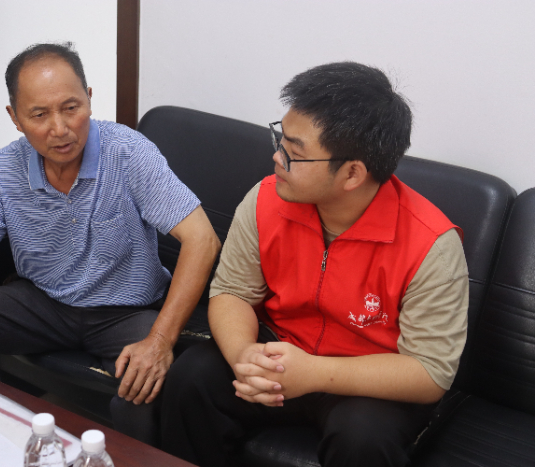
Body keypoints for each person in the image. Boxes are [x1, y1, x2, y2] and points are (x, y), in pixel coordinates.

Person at [0, 42, 220, 411]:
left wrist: (160, 340)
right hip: (44, 304)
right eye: (39, 115)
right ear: (15, 117)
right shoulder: (1, 171)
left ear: (89, 98)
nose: (60, 129)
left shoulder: (128, 152)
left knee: (148, 384)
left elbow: (203, 240)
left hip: (126, 311)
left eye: (71, 108)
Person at [160, 62, 468, 467]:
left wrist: (314, 373)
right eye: (280, 139)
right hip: (279, 351)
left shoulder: (431, 245)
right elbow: (233, 291)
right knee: (191, 378)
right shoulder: (266, 199)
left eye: (294, 152)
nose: (276, 157)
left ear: (352, 174)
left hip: (364, 380)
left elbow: (429, 372)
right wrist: (244, 356)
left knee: (363, 438)